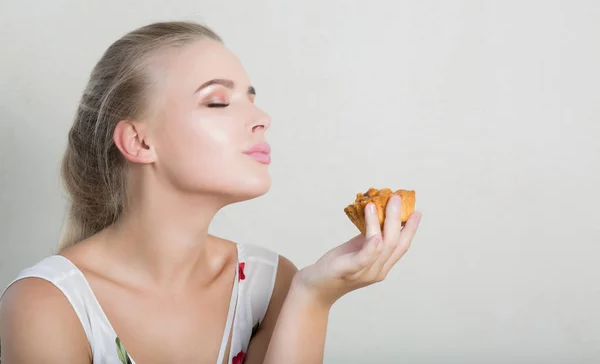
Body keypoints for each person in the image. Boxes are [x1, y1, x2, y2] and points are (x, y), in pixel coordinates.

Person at [0, 21, 422, 364]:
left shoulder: (270, 284)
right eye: (218, 102)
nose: (261, 118)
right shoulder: (48, 304)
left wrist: (314, 298)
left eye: (251, 98)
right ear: (140, 142)